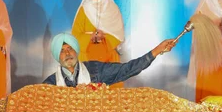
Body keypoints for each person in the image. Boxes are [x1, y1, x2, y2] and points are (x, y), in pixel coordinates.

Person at [44, 33, 175, 87]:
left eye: (70, 48)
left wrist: (157, 50)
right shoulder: (49, 85)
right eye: (62, 50)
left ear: (76, 51)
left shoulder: (94, 70)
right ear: (57, 56)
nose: (67, 53)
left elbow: (127, 69)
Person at [72, 0, 125, 88]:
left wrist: (104, 37)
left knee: (109, 97)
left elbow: (119, 35)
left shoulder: (113, 9)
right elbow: (75, 35)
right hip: (87, 58)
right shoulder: (84, 10)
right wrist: (90, 37)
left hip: (108, 58)